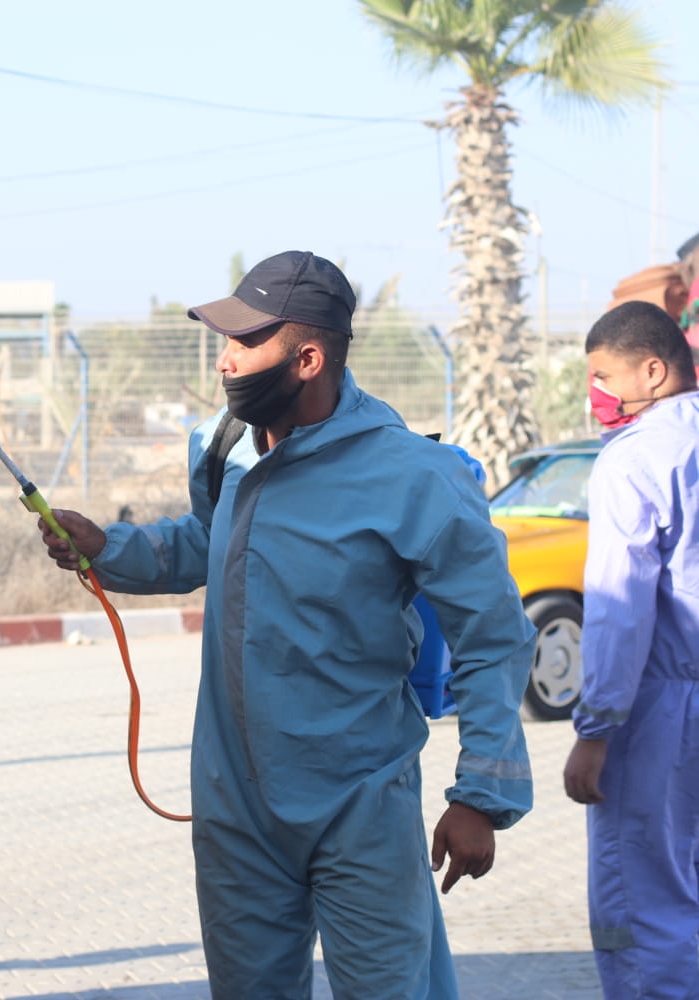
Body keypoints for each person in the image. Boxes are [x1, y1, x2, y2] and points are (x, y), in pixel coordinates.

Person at [38, 250, 535, 998]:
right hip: (236, 807)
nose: (225, 364)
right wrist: (110, 548)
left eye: (243, 345)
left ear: (307, 359)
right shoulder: (224, 448)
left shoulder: (413, 478)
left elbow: (493, 637)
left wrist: (479, 799)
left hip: (360, 806)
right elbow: (210, 544)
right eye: (223, 343)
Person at [562, 300, 699, 998]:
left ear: (654, 369)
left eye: (604, 375)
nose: (598, 392)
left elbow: (619, 608)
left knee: (643, 906)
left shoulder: (635, 459)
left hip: (664, 712)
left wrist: (596, 729)